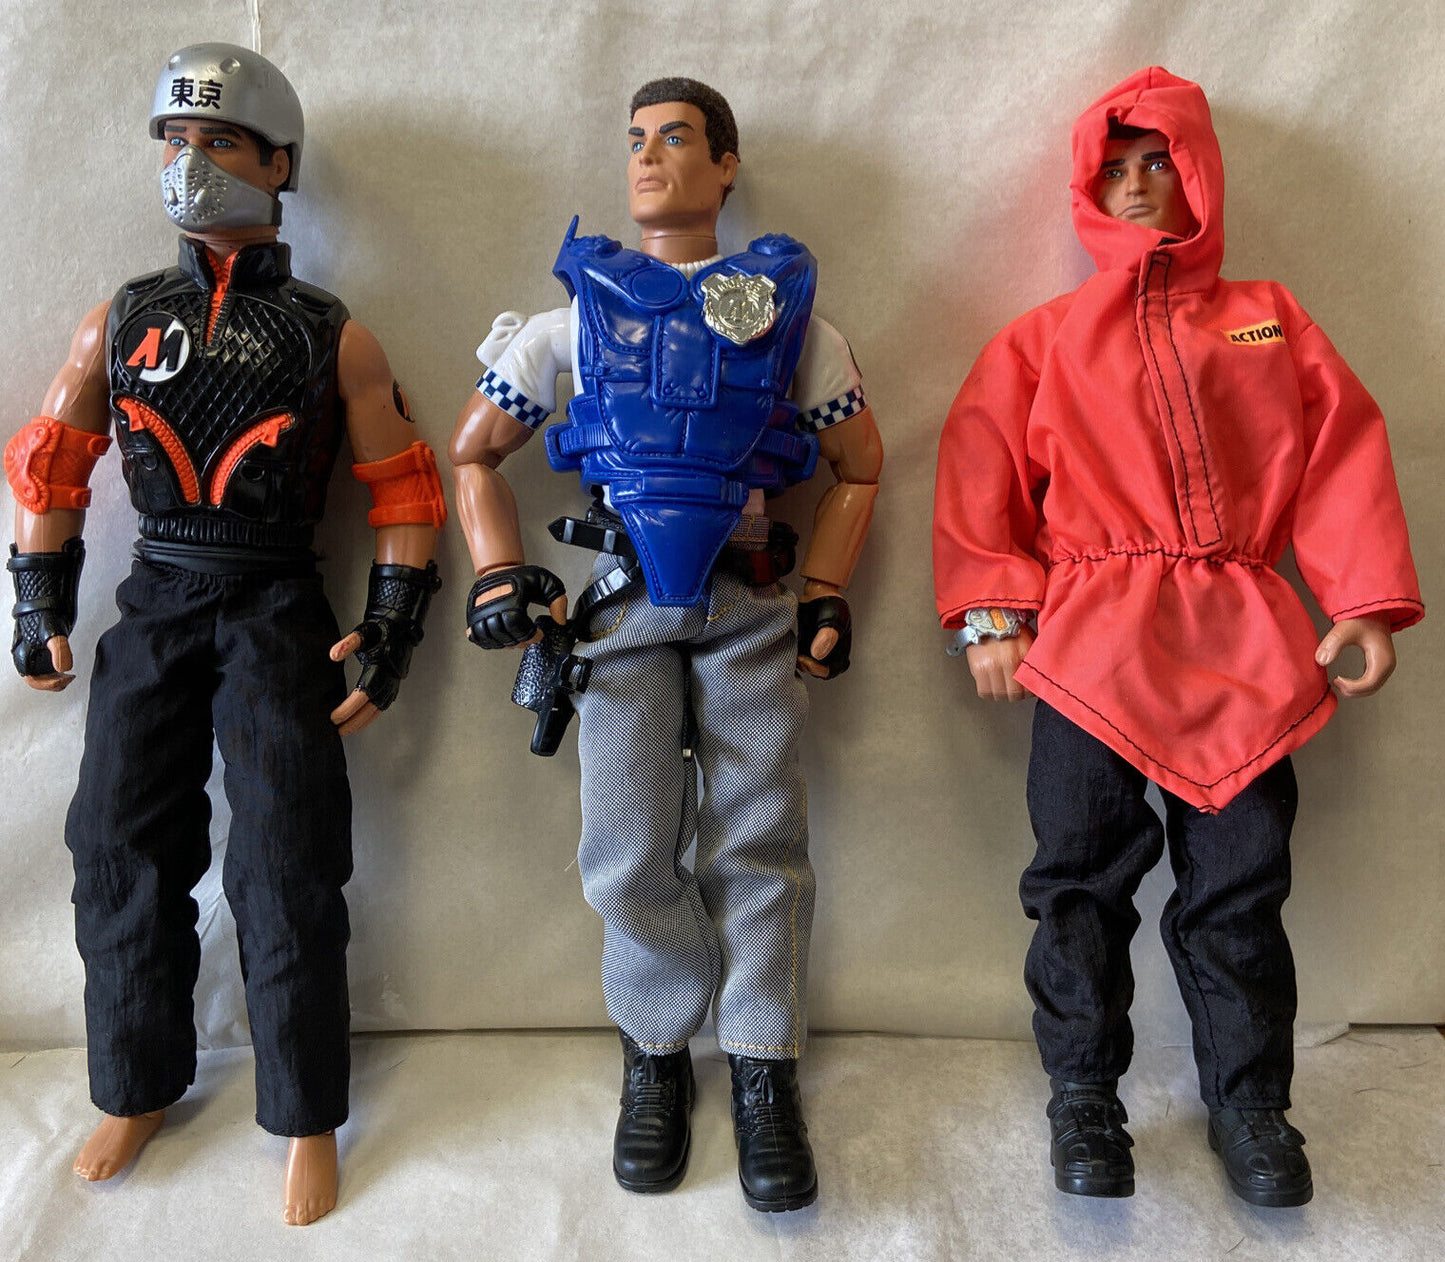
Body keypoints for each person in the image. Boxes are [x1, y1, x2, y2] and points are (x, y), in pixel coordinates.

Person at [932, 66, 1421, 1207]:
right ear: (1083, 188)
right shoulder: (1045, 338)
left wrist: (1358, 598)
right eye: (1113, 168)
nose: (1138, 183)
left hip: (1244, 642)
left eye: (1160, 160)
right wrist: (992, 612)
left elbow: (1339, 451)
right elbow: (980, 467)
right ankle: (1082, 1096)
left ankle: (1249, 1103)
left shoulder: (1267, 317)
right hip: (1087, 646)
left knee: (1239, 885)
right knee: (1076, 881)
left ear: (1200, 172)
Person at [5, 42, 445, 1225]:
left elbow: (404, 487)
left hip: (274, 604)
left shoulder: (329, 333)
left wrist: (390, 622)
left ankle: (304, 1110)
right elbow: (52, 460)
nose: (187, 162)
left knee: (286, 856)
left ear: (277, 164)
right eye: (173, 139)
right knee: (116, 838)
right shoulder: (122, 318)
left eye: (216, 141)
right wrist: (39, 596)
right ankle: (135, 1080)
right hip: (154, 593)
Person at [449, 77, 881, 1212]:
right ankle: (654, 1049)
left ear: (726, 164)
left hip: (748, 598)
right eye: (634, 138)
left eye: (676, 137)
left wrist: (826, 590)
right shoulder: (571, 321)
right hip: (620, 605)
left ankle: (761, 1060)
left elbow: (859, 465)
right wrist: (496, 570)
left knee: (760, 838)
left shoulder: (782, 316)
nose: (647, 157)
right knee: (628, 842)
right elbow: (473, 451)